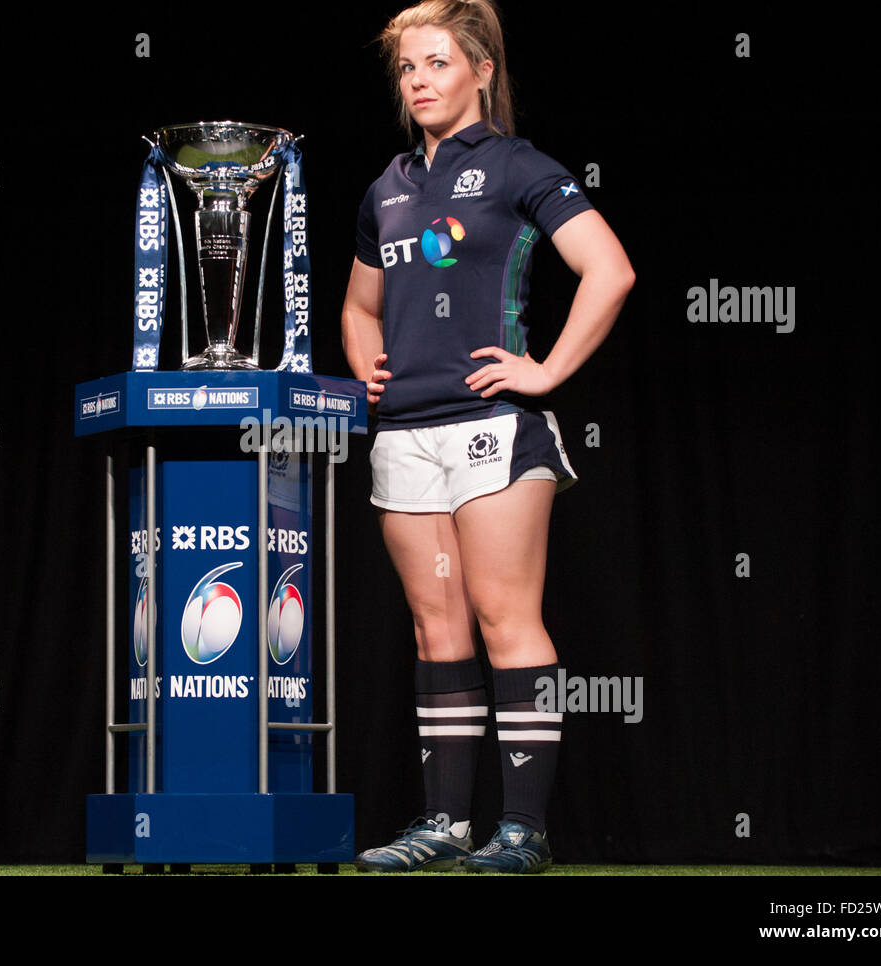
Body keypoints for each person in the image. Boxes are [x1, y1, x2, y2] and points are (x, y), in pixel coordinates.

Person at [341, 0, 634, 873]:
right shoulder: (387, 186)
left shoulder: (515, 166)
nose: (420, 81)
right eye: (407, 68)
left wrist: (543, 370)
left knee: (507, 618)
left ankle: (522, 831)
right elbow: (360, 308)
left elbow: (609, 269)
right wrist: (366, 367)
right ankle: (443, 827)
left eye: (437, 63)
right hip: (405, 433)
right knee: (438, 631)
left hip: (492, 431)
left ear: (481, 71)